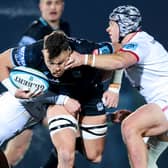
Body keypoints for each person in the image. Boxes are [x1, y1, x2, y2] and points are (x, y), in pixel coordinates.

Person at [66, 5, 168, 168]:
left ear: (124, 25)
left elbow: (119, 61)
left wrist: (83, 59)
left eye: (112, 24)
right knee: (144, 159)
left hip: (165, 102)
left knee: (130, 127)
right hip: (162, 105)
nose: (108, 29)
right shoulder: (136, 43)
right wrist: (114, 87)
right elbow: (120, 56)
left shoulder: (139, 44)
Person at [0, 31, 121, 168]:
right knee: (66, 154)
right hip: (59, 99)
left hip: (90, 95)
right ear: (44, 52)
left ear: (69, 51)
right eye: (50, 63)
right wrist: (14, 90)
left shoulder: (86, 49)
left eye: (60, 63)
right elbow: (1, 61)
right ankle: (65, 145)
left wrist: (114, 87)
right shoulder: (33, 52)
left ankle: (99, 122)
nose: (55, 69)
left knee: (94, 156)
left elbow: (120, 50)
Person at [4, 0, 70, 167]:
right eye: (48, 3)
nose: (53, 7)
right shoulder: (35, 31)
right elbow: (16, 66)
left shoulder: (64, 28)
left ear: (63, 5)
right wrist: (18, 90)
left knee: (69, 135)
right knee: (17, 150)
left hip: (49, 97)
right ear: (40, 6)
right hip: (31, 98)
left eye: (57, 3)